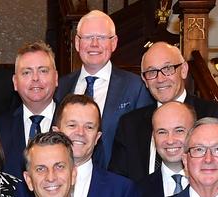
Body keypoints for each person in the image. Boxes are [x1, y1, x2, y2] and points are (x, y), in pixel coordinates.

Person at [109, 42, 218, 182]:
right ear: (144, 80)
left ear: (184, 70)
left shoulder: (212, 114)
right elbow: (118, 180)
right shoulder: (130, 124)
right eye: (151, 72)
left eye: (168, 68)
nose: (160, 79)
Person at [55, 10, 153, 169]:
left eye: (101, 38)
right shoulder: (61, 87)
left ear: (113, 43)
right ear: (77, 43)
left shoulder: (136, 87)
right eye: (87, 37)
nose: (94, 44)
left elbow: (142, 145)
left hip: (117, 185)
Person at [0, 41, 59, 180]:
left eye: (43, 71)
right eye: (26, 72)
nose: (35, 78)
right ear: (15, 82)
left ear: (56, 78)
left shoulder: (72, 125)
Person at [137, 101, 196, 197]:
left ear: (195, 133)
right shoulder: (136, 193)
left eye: (179, 131)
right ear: (153, 137)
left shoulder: (212, 184)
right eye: (162, 132)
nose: (170, 140)